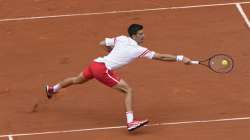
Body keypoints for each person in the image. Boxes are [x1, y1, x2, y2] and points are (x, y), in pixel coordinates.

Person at [45, 24, 192, 132]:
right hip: (103, 69)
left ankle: (52, 89)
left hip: (96, 63)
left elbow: (102, 43)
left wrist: (111, 53)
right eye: (140, 34)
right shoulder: (138, 49)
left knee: (76, 80)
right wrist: (181, 57)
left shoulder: (121, 39)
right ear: (134, 36)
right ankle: (131, 122)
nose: (143, 36)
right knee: (128, 90)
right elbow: (161, 57)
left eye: (143, 33)